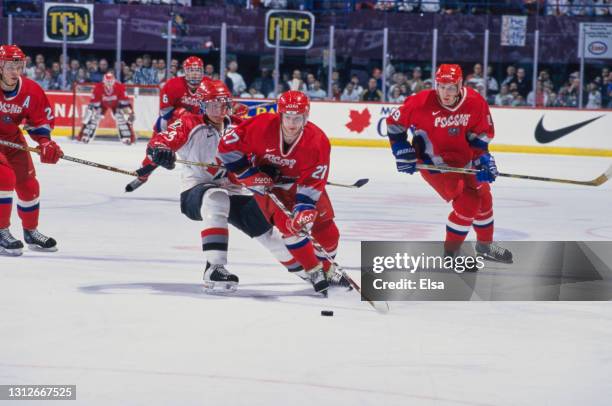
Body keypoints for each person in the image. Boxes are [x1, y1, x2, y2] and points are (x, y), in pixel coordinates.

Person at [145, 80, 305, 291]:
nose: (220, 110)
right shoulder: (188, 123)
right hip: (196, 192)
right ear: (202, 105)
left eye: (224, 104)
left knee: (269, 234)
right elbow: (160, 141)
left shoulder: (241, 126)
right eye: (213, 105)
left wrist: (266, 168)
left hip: (235, 193)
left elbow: (262, 153)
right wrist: (159, 151)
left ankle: (311, 273)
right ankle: (215, 268)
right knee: (216, 197)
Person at [218, 91, 349, 294]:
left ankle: (328, 267)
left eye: (297, 118)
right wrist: (249, 174)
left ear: (306, 116)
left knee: (328, 231)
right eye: (287, 117)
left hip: (299, 184)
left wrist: (305, 206)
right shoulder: (260, 125)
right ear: (280, 114)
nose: (292, 123)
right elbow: (226, 147)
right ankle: (313, 271)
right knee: (290, 227)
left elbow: (313, 180)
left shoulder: (318, 141)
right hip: (267, 186)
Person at [386, 64, 512, 265]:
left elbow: (480, 135)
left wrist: (483, 158)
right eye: (441, 86)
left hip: (465, 158)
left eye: (451, 87)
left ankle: (485, 246)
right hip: (434, 163)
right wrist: (401, 149)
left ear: (460, 84)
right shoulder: (420, 102)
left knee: (484, 197)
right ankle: (451, 255)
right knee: (468, 202)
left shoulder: (474, 101)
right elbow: (394, 123)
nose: (445, 92)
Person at [0, 44, 63, 256]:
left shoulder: (31, 89)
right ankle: (1, 231)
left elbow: (39, 121)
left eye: (19, 66)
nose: (15, 71)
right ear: (0, 66)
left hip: (12, 140)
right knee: (4, 177)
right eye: (10, 66)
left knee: (28, 185)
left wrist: (45, 142)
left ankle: (30, 231)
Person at [76, 72, 135, 145]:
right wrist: (92, 112)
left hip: (116, 105)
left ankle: (128, 137)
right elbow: (93, 103)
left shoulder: (120, 87)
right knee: (92, 115)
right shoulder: (98, 87)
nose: (109, 83)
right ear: (104, 81)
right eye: (107, 81)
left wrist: (130, 112)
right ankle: (84, 135)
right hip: (102, 105)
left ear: (114, 81)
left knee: (122, 116)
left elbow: (125, 102)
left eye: (111, 81)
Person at [155, 56, 208, 133]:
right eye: (191, 70)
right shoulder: (173, 84)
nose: (195, 73)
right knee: (180, 112)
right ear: (185, 71)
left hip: (198, 128)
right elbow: (165, 115)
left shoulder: (208, 85)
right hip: (174, 127)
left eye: (198, 70)